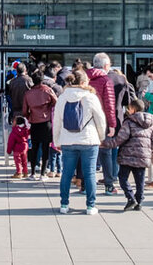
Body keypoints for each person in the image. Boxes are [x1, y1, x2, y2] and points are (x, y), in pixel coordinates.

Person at [53, 69, 107, 215]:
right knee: (89, 173)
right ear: (84, 82)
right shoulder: (90, 97)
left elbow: (56, 121)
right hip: (89, 140)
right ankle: (90, 206)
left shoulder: (62, 97)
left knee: (66, 173)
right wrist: (101, 137)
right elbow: (100, 119)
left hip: (68, 140)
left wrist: (56, 140)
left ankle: (64, 204)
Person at [101, 98, 153, 212]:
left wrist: (105, 144)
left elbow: (120, 139)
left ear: (133, 109)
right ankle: (139, 201)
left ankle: (131, 198)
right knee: (140, 180)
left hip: (127, 156)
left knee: (122, 178)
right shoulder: (151, 124)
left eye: (129, 108)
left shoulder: (129, 122)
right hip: (143, 157)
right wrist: (149, 152)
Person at [87, 53, 118, 193]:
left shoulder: (84, 78)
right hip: (102, 121)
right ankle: (109, 185)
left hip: (85, 121)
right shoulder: (106, 80)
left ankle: (84, 184)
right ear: (106, 66)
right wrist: (112, 125)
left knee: (87, 153)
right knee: (105, 152)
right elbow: (109, 104)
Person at [23, 69, 58, 180]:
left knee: (34, 148)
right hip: (46, 122)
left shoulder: (28, 93)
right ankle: (43, 174)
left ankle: (33, 173)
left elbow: (24, 111)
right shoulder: (48, 90)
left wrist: (30, 117)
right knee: (45, 149)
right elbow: (56, 102)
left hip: (34, 122)